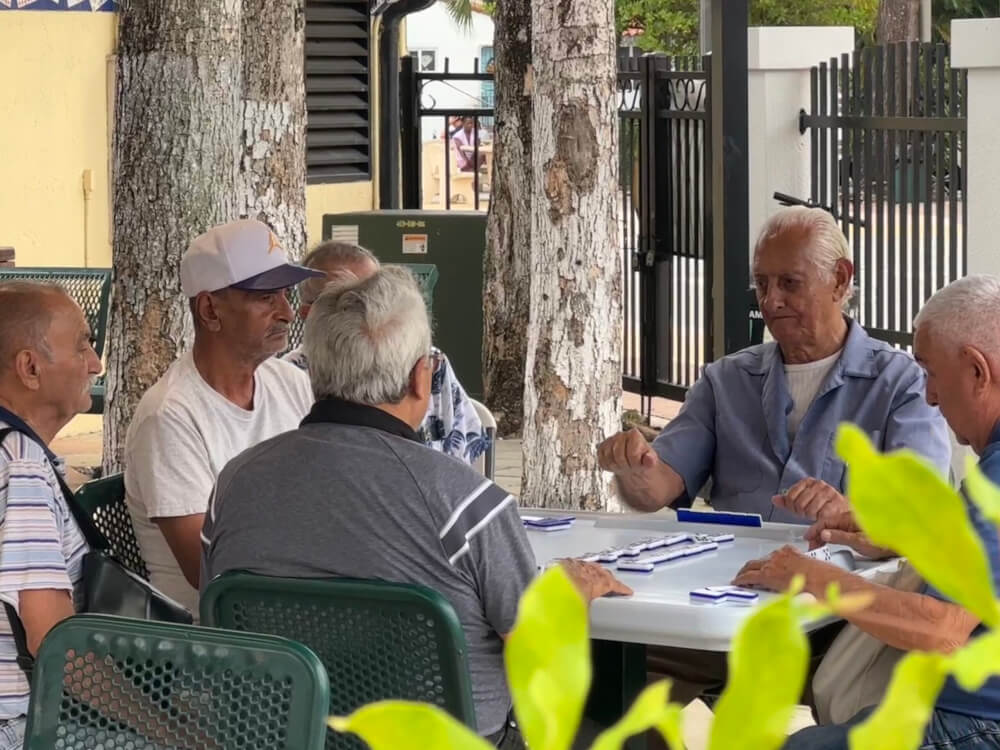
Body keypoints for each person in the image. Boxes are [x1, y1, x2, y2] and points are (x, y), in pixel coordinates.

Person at [201, 266, 631, 749]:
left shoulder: (235, 485)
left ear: (315, 371)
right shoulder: (467, 502)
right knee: (639, 731)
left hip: (283, 738)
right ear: (421, 377)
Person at [733, 275, 1000, 750]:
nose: (931, 397)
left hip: (974, 722)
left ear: (978, 371)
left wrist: (810, 577)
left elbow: (943, 630)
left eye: (932, 374)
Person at [598, 206, 951, 525]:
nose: (771, 300)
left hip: (846, 588)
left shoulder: (901, 385)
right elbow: (658, 488)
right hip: (733, 585)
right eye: (762, 284)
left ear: (840, 280)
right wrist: (633, 469)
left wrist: (848, 514)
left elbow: (922, 513)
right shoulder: (724, 382)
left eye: (789, 283)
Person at [124, 219, 324, 617]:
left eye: (286, 295)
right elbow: (211, 568)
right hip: (218, 647)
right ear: (210, 309)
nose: (286, 312)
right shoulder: (170, 417)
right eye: (266, 297)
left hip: (287, 614)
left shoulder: (290, 382)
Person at [0, 282, 102, 747]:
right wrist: (169, 728)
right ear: (30, 368)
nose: (95, 363)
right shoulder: (19, 464)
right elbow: (57, 646)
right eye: (82, 344)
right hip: (24, 726)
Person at [284, 240, 488, 464]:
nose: (369, 311)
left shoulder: (430, 363)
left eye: (379, 295)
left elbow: (462, 455)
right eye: (345, 303)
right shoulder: (286, 379)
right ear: (308, 313)